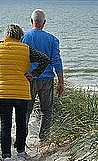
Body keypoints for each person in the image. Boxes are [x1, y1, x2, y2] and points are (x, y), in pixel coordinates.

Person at [0, 23, 50, 161]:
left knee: (5, 125)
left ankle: (6, 159)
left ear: (6, 35)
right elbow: (45, 59)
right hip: (21, 91)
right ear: (20, 35)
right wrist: (33, 74)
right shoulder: (26, 49)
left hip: (3, 91)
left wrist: (3, 41)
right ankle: (20, 152)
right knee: (20, 123)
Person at [21, 9, 65, 141]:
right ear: (44, 22)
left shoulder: (23, 38)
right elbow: (56, 61)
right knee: (46, 111)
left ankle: (22, 139)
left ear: (31, 21)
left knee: (26, 111)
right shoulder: (52, 39)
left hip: (29, 78)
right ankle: (44, 139)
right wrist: (61, 82)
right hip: (47, 79)